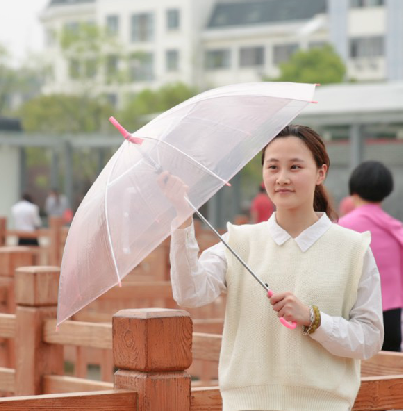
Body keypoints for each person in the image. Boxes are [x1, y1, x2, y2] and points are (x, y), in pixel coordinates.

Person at [160, 125, 383, 411]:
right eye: (273, 167)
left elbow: (369, 339)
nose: (282, 178)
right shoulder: (239, 242)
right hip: (245, 405)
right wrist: (181, 216)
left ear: (320, 173)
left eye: (295, 167)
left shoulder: (353, 249)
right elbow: (190, 293)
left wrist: (314, 320)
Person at [339, 161, 402, 352]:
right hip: (392, 314)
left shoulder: (341, 228)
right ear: (387, 189)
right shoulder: (396, 228)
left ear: (353, 189)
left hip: (355, 314)